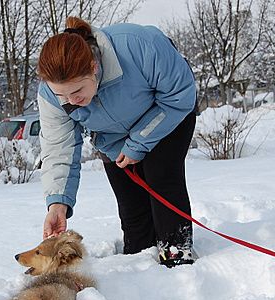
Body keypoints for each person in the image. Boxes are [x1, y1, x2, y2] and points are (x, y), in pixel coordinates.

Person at [36, 16, 198, 268]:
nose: (70, 101)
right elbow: (59, 148)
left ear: (93, 67)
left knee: (160, 178)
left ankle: (177, 258)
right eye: (62, 95)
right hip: (113, 141)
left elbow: (180, 94)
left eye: (77, 92)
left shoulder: (139, 44)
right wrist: (58, 203)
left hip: (168, 115)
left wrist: (138, 144)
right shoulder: (50, 96)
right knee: (132, 205)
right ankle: (138, 263)